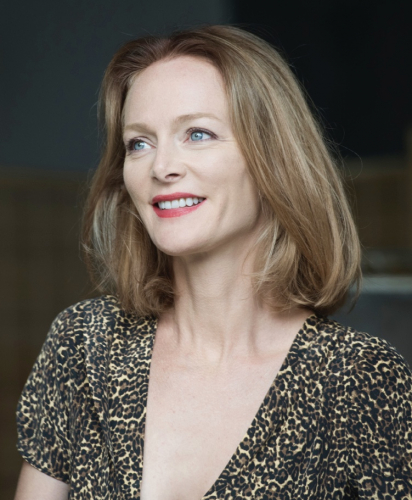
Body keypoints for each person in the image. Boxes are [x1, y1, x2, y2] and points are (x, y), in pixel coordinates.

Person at [14, 25, 412, 500]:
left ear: (273, 159)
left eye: (197, 134)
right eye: (139, 143)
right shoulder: (84, 345)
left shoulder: (362, 381)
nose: (161, 167)